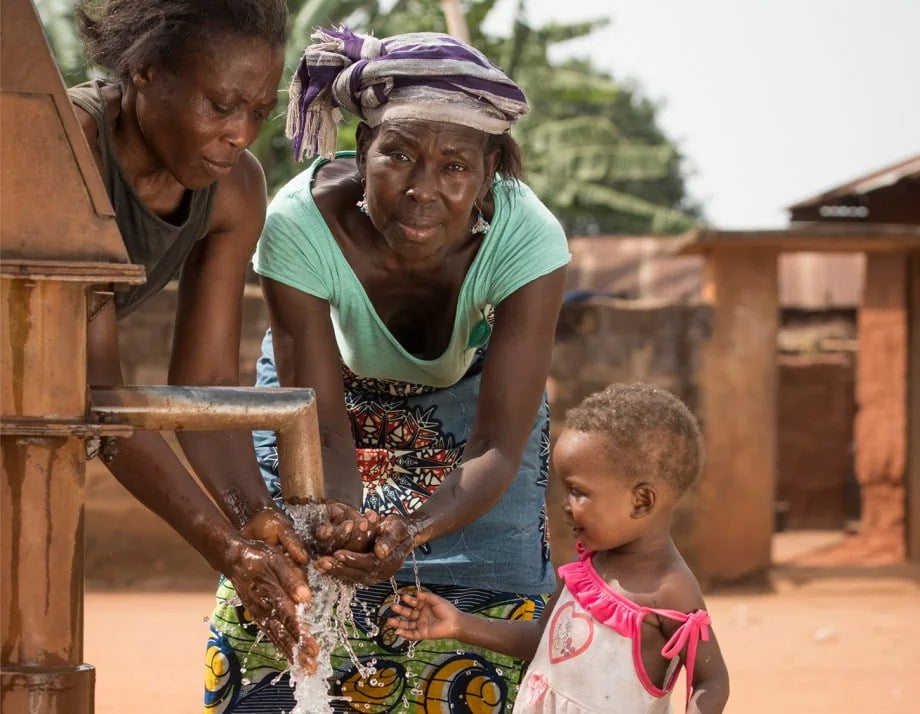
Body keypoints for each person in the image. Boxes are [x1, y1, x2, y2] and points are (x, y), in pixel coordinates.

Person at [205, 27, 570, 713]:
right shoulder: (301, 225)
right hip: (323, 396)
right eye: (398, 155)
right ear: (362, 146)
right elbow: (323, 430)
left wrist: (411, 529)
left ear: (490, 172)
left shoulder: (527, 239)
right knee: (293, 583)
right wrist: (339, 516)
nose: (422, 191)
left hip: (471, 410)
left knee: (481, 621)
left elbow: (496, 446)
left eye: (455, 167)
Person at [68, 0, 344, 670]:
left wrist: (256, 520)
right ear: (145, 71)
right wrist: (225, 549)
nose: (240, 133)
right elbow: (96, 394)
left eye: (257, 112)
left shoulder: (234, 190)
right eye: (219, 106)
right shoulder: (69, 149)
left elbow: (206, 389)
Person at [389, 384, 730, 714]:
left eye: (578, 492)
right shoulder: (587, 569)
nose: (566, 505)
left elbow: (711, 679)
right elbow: (543, 638)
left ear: (641, 501)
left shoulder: (670, 590)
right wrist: (459, 624)